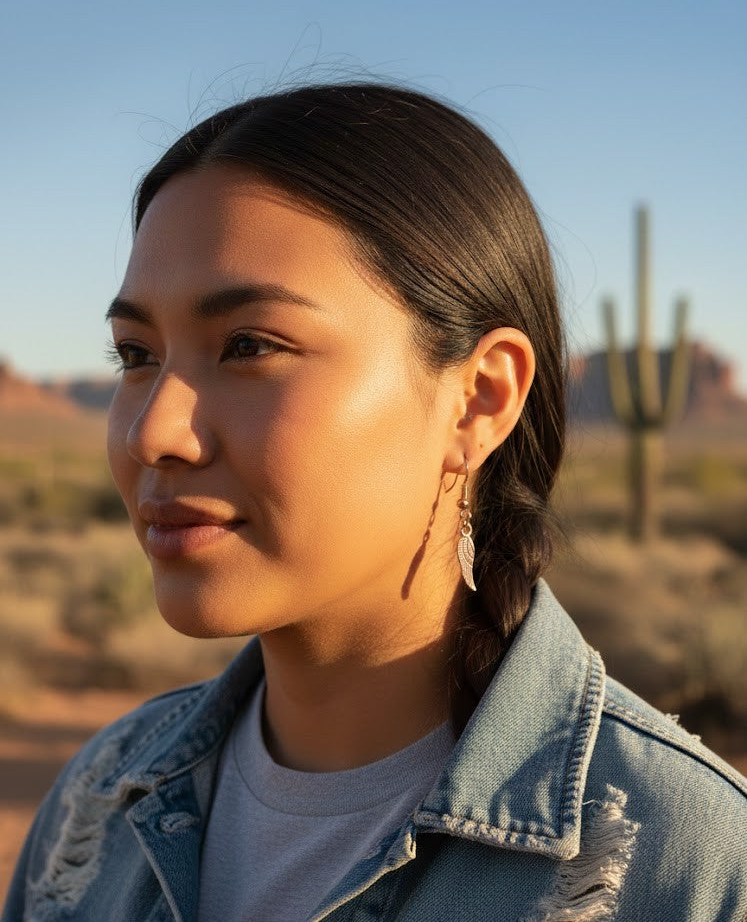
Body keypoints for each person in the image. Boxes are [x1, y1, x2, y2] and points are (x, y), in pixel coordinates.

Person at [3, 82, 745, 922]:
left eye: (249, 345)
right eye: (135, 354)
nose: (151, 432)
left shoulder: (688, 869)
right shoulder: (97, 805)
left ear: (478, 400)